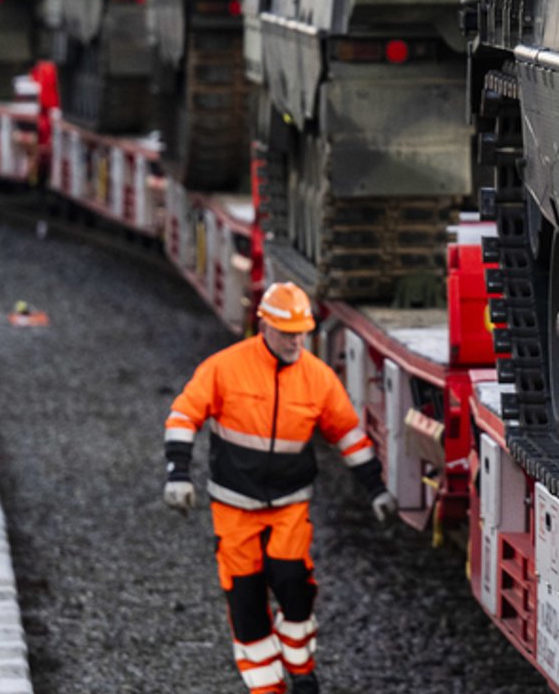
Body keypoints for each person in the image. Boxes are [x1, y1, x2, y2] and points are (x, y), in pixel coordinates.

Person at [164, 282, 399, 693]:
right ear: (265, 326)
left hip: (289, 506)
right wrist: (178, 475)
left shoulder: (318, 379)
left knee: (294, 586)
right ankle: (267, 688)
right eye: (288, 332)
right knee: (246, 601)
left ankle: (303, 671)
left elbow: (349, 437)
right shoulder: (225, 368)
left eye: (301, 332)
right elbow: (184, 416)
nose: (296, 340)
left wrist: (375, 489)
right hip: (235, 508)